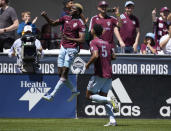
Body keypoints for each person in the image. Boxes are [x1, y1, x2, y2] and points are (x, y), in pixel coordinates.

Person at [41, 3, 85, 102]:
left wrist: (68, 38)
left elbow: (82, 40)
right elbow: (53, 23)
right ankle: (74, 91)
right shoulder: (65, 18)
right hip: (63, 47)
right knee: (60, 74)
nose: (70, 8)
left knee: (64, 74)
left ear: (78, 12)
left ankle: (51, 95)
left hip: (72, 49)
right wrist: (45, 17)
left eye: (73, 8)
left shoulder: (80, 23)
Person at [86, 24, 119, 126]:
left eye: (92, 29)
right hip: (109, 74)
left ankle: (111, 99)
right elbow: (114, 57)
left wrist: (87, 64)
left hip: (99, 73)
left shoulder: (93, 42)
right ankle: (112, 120)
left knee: (89, 95)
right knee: (103, 98)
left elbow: (95, 55)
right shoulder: (107, 43)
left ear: (94, 31)